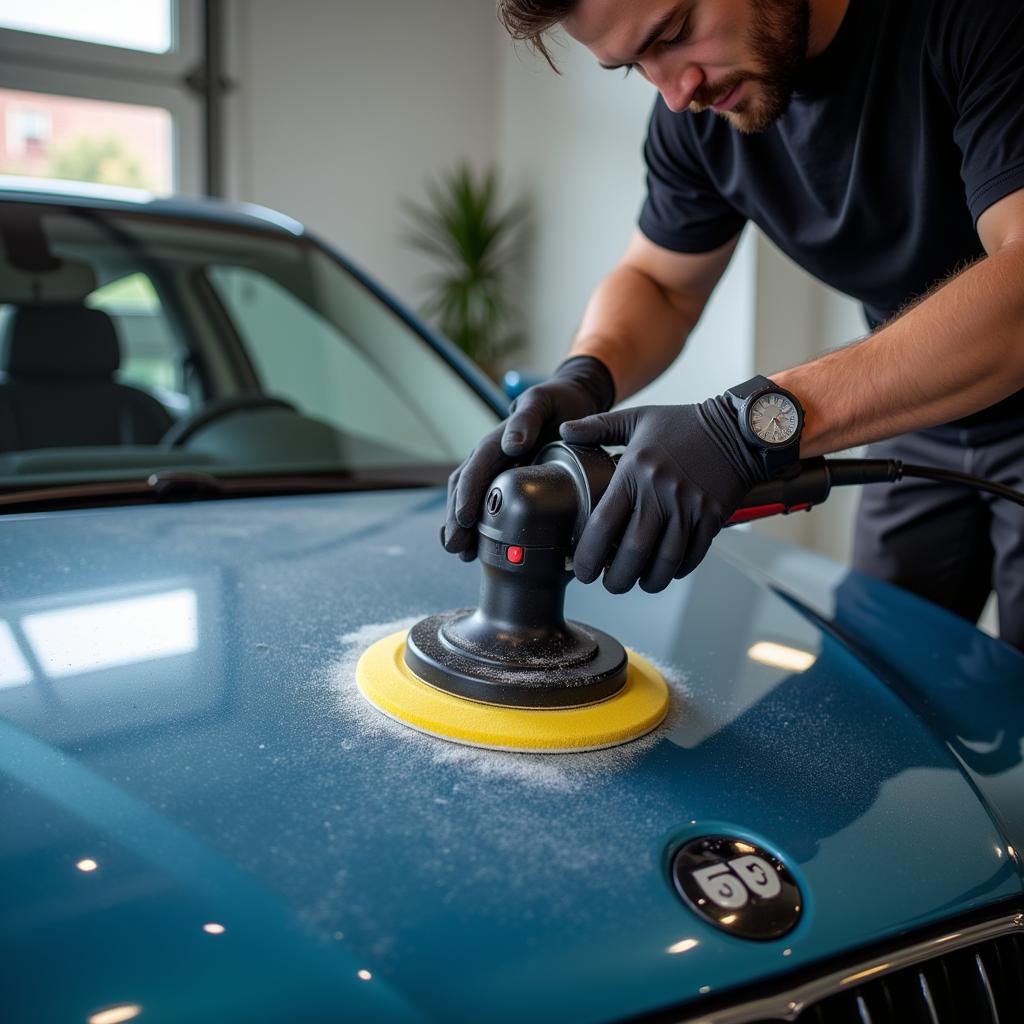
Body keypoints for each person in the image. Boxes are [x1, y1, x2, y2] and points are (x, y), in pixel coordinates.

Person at [443, 0, 1024, 651]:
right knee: (881, 681)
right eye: (634, 67)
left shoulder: (984, 20)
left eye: (674, 32)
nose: (675, 91)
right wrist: (585, 377)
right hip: (925, 420)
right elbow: (661, 284)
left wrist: (746, 427)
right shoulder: (696, 114)